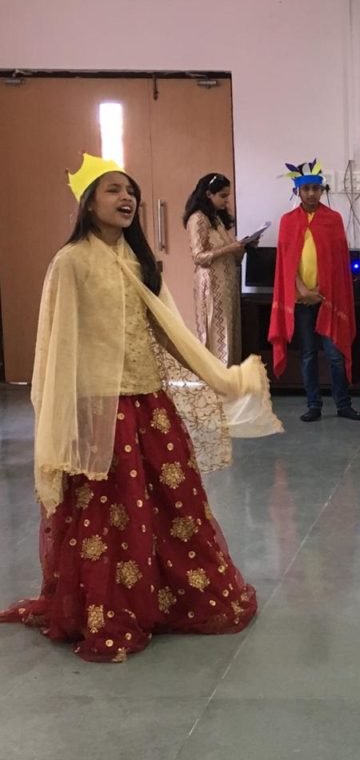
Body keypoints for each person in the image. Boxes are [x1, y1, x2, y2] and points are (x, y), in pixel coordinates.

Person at [0, 154, 281, 662]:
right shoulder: (71, 262)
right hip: (99, 407)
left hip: (149, 403)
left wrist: (218, 376)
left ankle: (167, 596)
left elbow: (169, 332)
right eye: (113, 189)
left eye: (130, 191)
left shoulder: (137, 261)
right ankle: (107, 607)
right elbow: (56, 345)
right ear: (88, 203)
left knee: (170, 504)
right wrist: (65, 414)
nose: (126, 198)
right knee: (107, 514)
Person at [269, 159, 360, 422]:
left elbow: (337, 263)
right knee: (308, 354)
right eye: (306, 189)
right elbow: (286, 263)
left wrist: (322, 290)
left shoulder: (333, 220)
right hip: (301, 300)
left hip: (327, 299)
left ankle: (343, 404)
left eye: (315, 188)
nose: (311, 193)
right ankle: (313, 405)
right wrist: (301, 289)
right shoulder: (288, 221)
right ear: (297, 191)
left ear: (322, 190)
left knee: (334, 355)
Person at [183, 172, 250, 365]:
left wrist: (243, 247)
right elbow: (198, 257)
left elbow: (234, 259)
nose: (226, 201)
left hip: (227, 284)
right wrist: (230, 248)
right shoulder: (197, 219)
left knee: (230, 331)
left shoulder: (217, 219)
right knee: (215, 332)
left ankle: (230, 376)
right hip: (211, 285)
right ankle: (216, 377)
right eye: (222, 196)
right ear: (208, 194)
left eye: (227, 196)